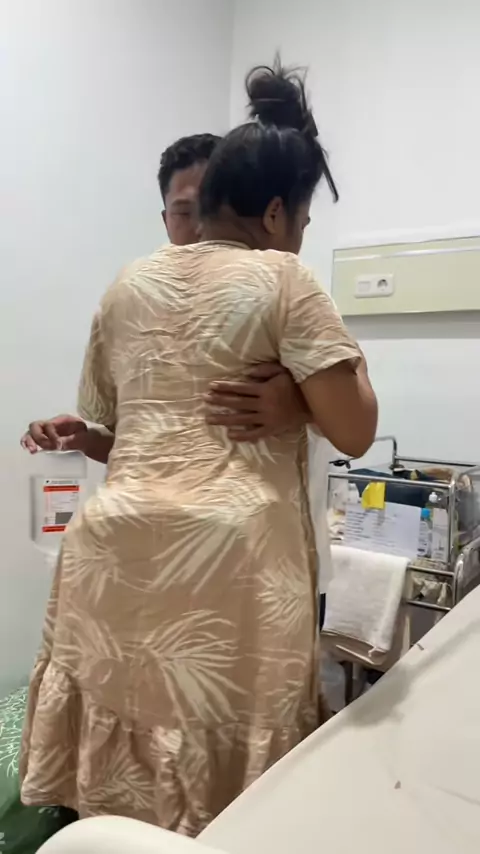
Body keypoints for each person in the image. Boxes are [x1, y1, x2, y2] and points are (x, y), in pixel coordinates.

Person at [20, 60, 377, 834]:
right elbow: (355, 429)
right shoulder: (283, 279)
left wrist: (292, 401)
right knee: (238, 791)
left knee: (117, 745)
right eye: (304, 222)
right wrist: (305, 400)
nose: (301, 238)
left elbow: (146, 438)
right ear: (276, 213)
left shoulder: (127, 284)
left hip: (111, 553)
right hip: (230, 568)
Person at [21, 135, 308, 461]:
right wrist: (86, 439)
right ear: (166, 220)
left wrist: (301, 406)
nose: (202, 228)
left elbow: (348, 425)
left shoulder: (283, 293)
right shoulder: (129, 304)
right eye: (185, 213)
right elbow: (142, 449)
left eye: (214, 211)